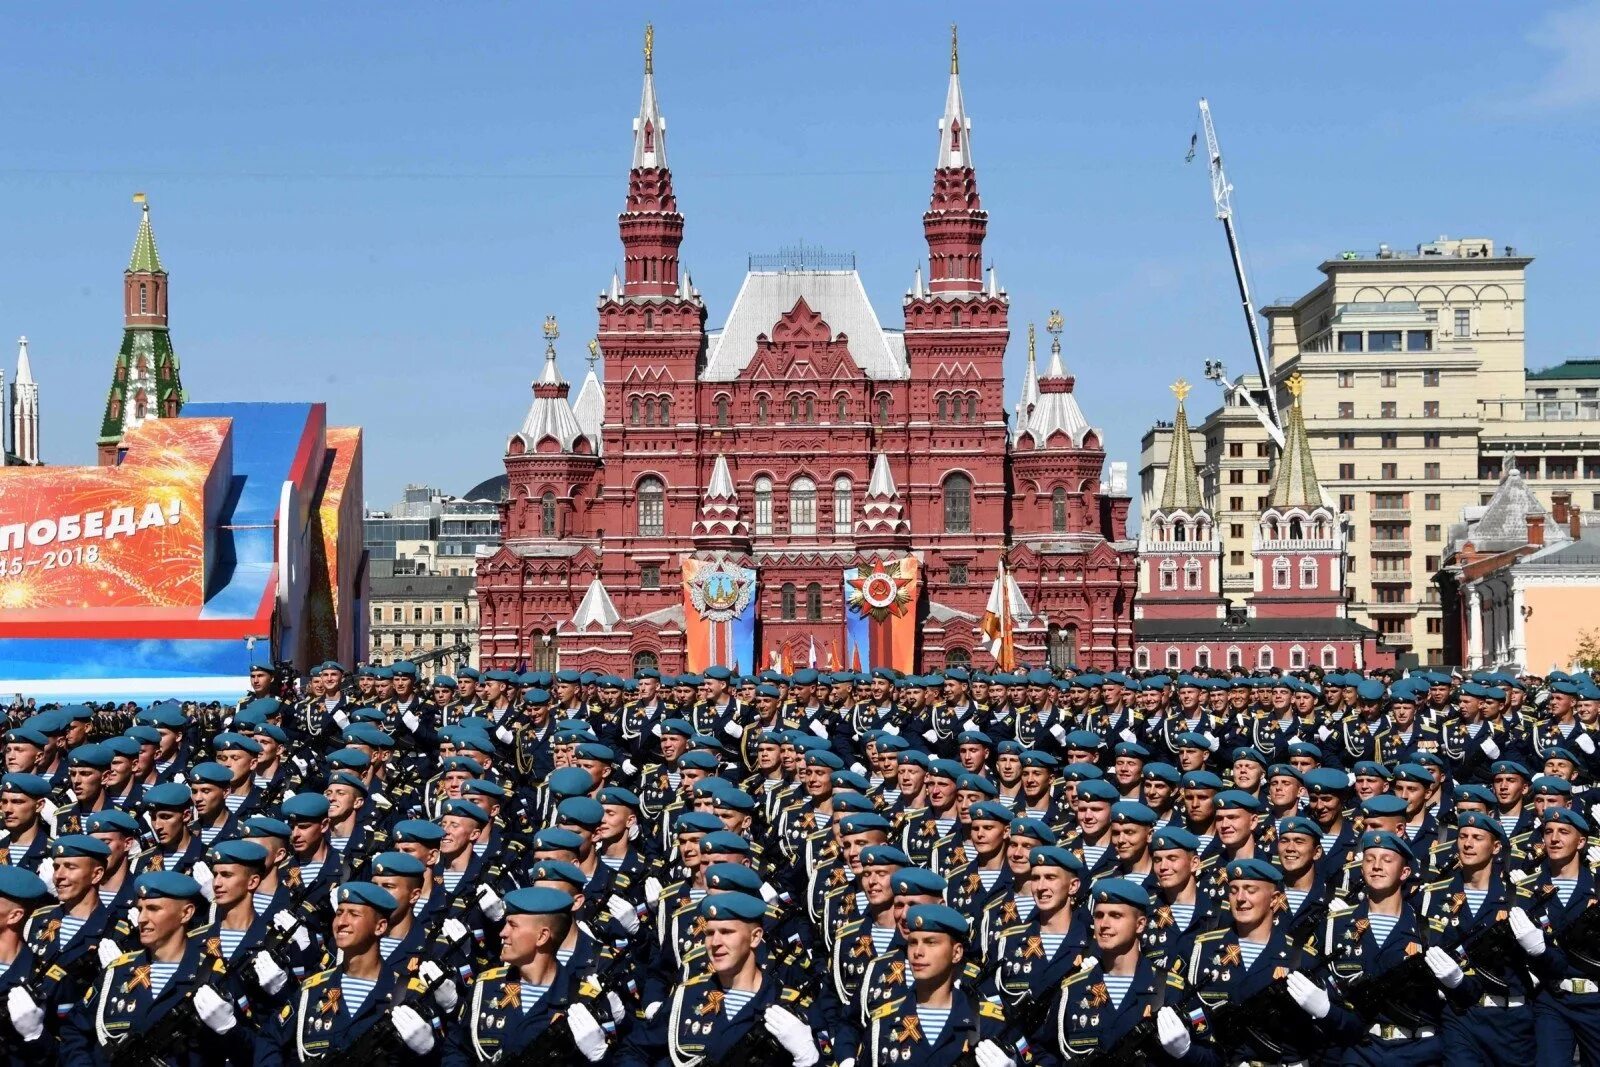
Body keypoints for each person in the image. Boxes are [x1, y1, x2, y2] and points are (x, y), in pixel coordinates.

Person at [60, 871, 249, 1065]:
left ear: (186, 913)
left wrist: (229, 1029)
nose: (142, 918)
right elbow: (74, 1031)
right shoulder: (117, 971)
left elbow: (250, 1047)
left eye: (153, 908)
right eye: (140, 909)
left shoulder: (213, 976)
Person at [443, 886, 609, 1065]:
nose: (503, 932)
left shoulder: (583, 1001)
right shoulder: (486, 985)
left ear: (542, 936)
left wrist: (599, 1059)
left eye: (513, 925)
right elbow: (457, 1049)